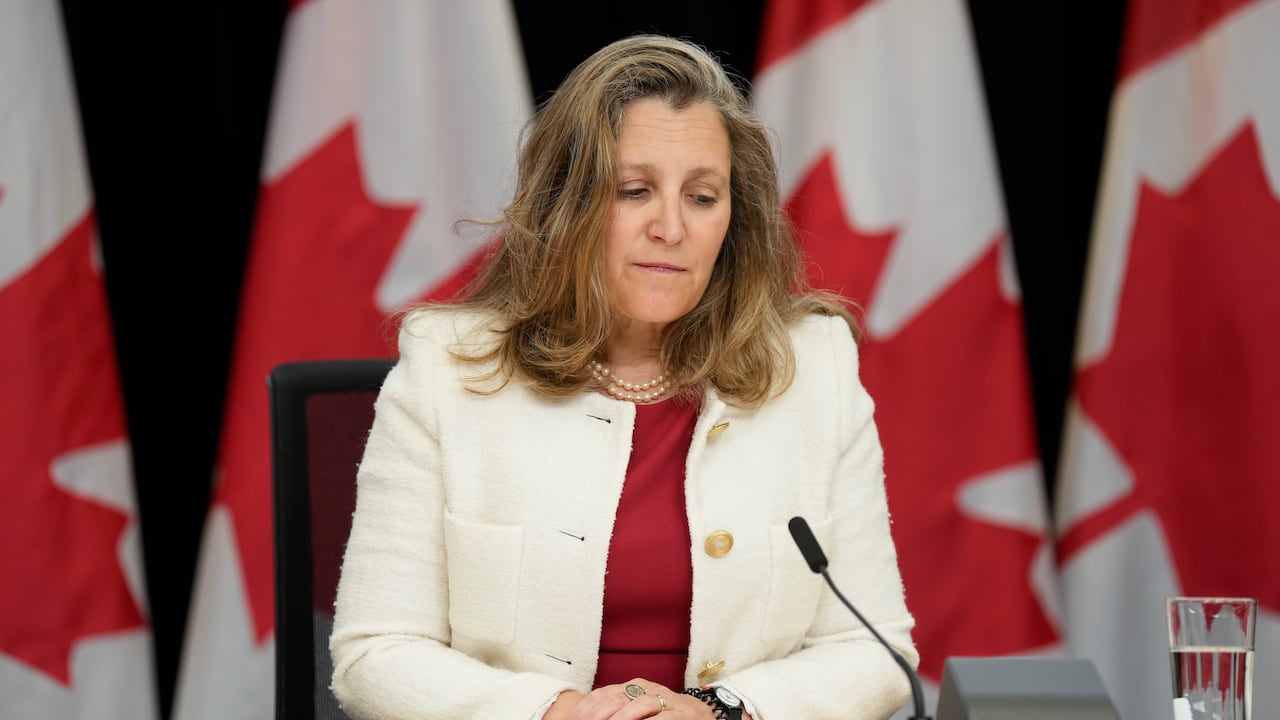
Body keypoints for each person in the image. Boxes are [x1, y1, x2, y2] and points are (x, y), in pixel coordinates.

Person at [329, 33, 918, 720]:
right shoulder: (446, 369)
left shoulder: (814, 367)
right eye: (634, 191)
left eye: (702, 197)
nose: (671, 227)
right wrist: (560, 713)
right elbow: (377, 651)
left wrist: (722, 710)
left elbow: (874, 648)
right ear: (567, 206)